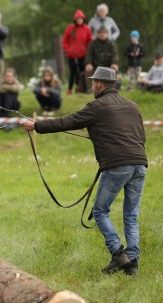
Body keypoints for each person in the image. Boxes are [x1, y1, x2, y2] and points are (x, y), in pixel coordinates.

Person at [21, 67, 147, 276]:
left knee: (99, 211)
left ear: (99, 84)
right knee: (131, 216)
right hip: (140, 164)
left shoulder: (97, 106)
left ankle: (118, 253)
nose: (91, 87)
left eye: (92, 83)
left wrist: (36, 125)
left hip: (117, 166)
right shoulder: (133, 106)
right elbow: (140, 137)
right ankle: (132, 263)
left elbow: (66, 122)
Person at [62, 9, 92, 95]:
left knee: (82, 72)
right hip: (72, 55)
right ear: (75, 20)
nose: (79, 20)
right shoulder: (70, 28)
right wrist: (68, 50)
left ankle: (83, 88)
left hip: (83, 55)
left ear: (83, 19)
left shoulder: (87, 29)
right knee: (73, 72)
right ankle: (69, 89)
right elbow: (64, 40)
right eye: (78, 19)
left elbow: (90, 41)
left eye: (81, 19)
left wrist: (86, 50)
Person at [84, 26, 119, 90]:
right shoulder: (93, 44)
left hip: (108, 66)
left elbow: (115, 55)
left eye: (104, 33)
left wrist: (114, 63)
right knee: (88, 69)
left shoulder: (111, 44)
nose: (102, 34)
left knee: (114, 68)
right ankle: (90, 89)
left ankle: (112, 88)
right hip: (95, 66)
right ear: (97, 34)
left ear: (107, 34)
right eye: (100, 33)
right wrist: (88, 63)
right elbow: (89, 55)